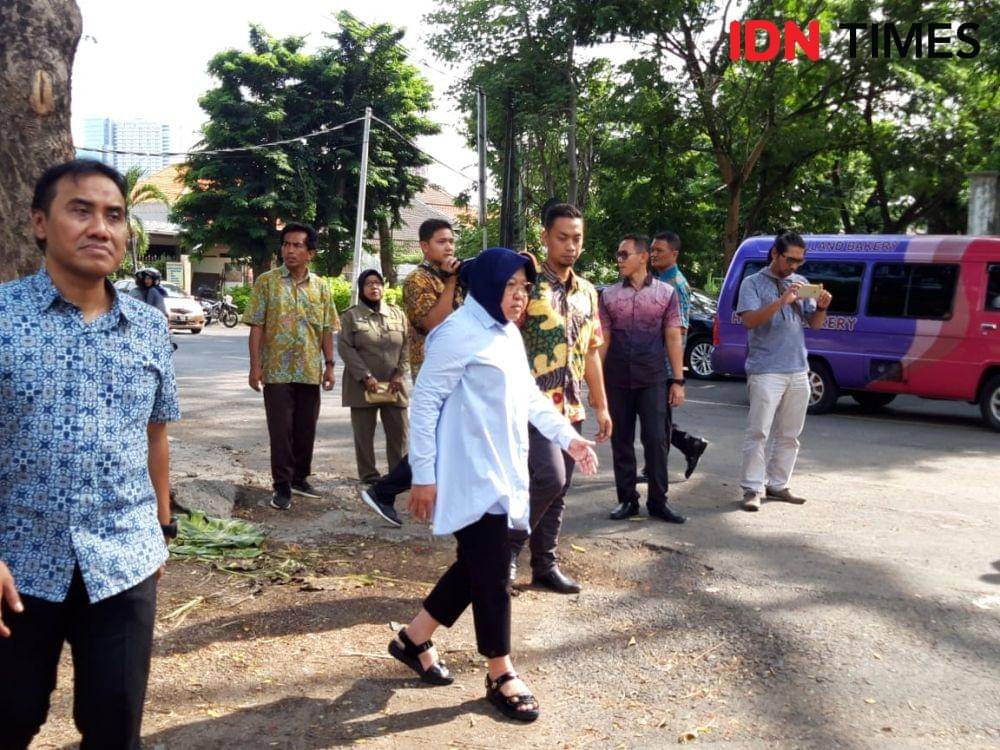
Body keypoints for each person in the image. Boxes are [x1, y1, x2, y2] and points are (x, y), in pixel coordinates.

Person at [0, 159, 180, 749]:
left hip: (123, 560)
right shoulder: (4, 318)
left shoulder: (148, 328)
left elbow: (155, 433)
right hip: (17, 563)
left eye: (114, 215)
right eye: (81, 211)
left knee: (115, 727)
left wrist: (161, 528)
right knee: (10, 718)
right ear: (39, 223)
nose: (100, 228)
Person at [389, 247, 598, 723]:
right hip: (468, 473)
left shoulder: (506, 333)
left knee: (476, 564)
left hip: (504, 471)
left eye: (524, 287)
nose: (520, 295)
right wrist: (423, 476)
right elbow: (424, 406)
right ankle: (500, 672)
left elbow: (530, 397)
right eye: (510, 286)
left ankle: (413, 639)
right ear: (485, 286)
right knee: (493, 570)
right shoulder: (455, 333)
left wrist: (567, 438)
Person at [508, 203, 611, 594]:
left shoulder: (588, 292)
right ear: (546, 238)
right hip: (532, 406)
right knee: (548, 478)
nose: (570, 246)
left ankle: (544, 565)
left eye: (577, 238)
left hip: (571, 407)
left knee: (561, 486)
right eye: (562, 237)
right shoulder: (528, 286)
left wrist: (601, 405)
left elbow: (592, 351)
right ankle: (506, 552)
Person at [359, 218, 463, 526]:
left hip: (456, 365)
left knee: (449, 436)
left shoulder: (451, 276)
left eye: (451, 241)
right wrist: (452, 284)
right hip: (433, 369)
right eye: (442, 242)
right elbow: (433, 322)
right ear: (424, 246)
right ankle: (383, 491)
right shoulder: (418, 280)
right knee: (439, 438)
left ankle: (393, 492)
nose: (449, 247)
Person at [243, 222, 339, 511]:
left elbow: (326, 329)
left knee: (306, 428)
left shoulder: (321, 287)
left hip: (309, 370)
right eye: (286, 244)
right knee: (281, 429)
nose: (290, 250)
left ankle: (300, 478)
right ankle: (282, 485)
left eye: (297, 245)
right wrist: (255, 366)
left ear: (311, 252)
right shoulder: (267, 282)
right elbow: (257, 326)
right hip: (276, 370)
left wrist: (330, 365)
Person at [736, 230, 832, 511]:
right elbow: (749, 321)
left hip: (798, 368)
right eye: (790, 259)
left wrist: (822, 307)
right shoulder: (752, 283)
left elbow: (815, 325)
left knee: (790, 433)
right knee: (758, 432)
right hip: (766, 369)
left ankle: (778, 484)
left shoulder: (800, 283)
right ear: (775, 254)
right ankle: (752, 488)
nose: (794, 266)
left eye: (799, 261)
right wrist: (782, 301)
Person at [599, 234, 687, 523]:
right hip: (616, 379)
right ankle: (627, 500)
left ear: (643, 257)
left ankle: (659, 501)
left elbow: (673, 337)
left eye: (625, 254)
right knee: (621, 441)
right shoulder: (609, 296)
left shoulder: (666, 293)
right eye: (618, 254)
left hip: (653, 378)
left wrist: (678, 381)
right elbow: (603, 340)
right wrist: (595, 385)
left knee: (657, 440)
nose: (619, 259)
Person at [338, 269, 410, 484]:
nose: (374, 287)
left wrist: (400, 373)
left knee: (399, 433)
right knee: (364, 434)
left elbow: (407, 345)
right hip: (362, 386)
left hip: (394, 385)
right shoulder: (350, 316)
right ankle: (369, 475)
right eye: (368, 283)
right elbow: (346, 349)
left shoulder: (397, 314)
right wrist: (365, 376)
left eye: (378, 283)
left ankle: (398, 475)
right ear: (361, 289)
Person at [647, 231, 709, 478]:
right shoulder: (660, 279)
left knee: (656, 420)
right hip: (653, 361)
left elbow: (679, 331)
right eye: (652, 249)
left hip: (663, 365)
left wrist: (676, 376)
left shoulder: (675, 284)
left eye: (659, 250)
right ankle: (688, 446)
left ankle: (659, 467)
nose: (653, 254)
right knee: (653, 417)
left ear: (674, 254)